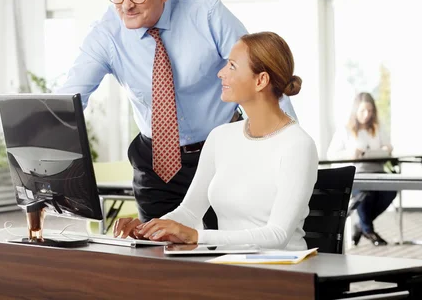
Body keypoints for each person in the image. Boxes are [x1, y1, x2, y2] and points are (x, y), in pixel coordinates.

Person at [57, 0, 295, 230]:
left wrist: (289, 148)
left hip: (224, 154)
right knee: (160, 260)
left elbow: (262, 74)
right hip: (157, 164)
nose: (126, 5)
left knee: (230, 253)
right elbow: (68, 102)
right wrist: (50, 170)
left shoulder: (205, 12)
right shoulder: (106, 34)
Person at [114, 32, 318, 250]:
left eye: (231, 66)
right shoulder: (220, 137)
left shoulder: (297, 145)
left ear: (261, 80)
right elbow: (189, 212)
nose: (221, 73)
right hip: (229, 267)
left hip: (283, 272)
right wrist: (148, 230)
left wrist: (196, 236)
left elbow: (278, 235)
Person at [327, 92, 396, 246]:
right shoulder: (344, 130)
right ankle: (368, 230)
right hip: (357, 173)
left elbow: (387, 146)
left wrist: (387, 148)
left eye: (370, 111)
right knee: (365, 193)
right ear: (355, 111)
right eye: (363, 111)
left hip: (378, 171)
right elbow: (331, 154)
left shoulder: (377, 129)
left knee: (391, 190)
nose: (367, 115)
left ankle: (361, 226)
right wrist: (350, 154)